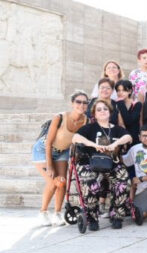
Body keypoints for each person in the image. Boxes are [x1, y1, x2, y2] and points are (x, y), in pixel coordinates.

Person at [72, 99, 133, 230]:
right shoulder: (89, 128)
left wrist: (114, 144)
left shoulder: (116, 129)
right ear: (94, 113)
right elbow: (75, 138)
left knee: (123, 181)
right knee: (90, 184)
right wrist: (94, 145)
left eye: (105, 109)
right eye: (99, 109)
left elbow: (128, 137)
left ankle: (116, 215)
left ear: (110, 112)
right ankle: (92, 218)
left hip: (110, 162)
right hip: (89, 162)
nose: (102, 111)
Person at [33, 91, 89, 226]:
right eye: (78, 102)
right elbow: (48, 143)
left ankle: (57, 214)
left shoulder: (85, 121)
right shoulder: (59, 117)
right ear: (72, 103)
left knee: (62, 182)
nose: (81, 105)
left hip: (62, 152)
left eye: (85, 102)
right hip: (43, 150)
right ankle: (43, 212)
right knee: (53, 182)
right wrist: (50, 165)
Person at [115, 80, 142, 145]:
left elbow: (129, 121)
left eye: (124, 90)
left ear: (130, 91)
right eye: (118, 90)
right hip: (119, 138)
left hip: (133, 138)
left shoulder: (137, 104)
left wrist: (120, 103)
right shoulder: (115, 104)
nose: (120, 93)